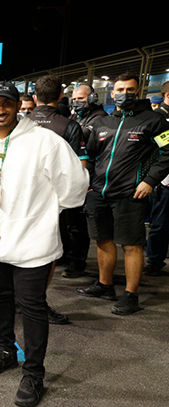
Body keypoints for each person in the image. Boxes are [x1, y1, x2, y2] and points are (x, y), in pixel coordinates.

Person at [0, 81, 87, 407]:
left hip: (34, 244)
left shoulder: (46, 142)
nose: (0, 110)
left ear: (19, 106)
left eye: (7, 103)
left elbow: (74, 187)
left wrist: (45, 214)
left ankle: (34, 373)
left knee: (32, 305)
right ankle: (5, 351)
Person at [76, 72, 169, 315]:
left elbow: (168, 151)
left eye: (129, 90)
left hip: (130, 194)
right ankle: (105, 285)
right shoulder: (102, 122)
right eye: (119, 90)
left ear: (137, 92)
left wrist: (149, 181)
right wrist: (89, 182)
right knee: (103, 240)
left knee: (130, 245)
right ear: (112, 92)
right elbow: (92, 154)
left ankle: (131, 295)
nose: (124, 94)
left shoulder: (154, 120)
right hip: (98, 193)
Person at [29, 75, 89, 324]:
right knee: (46, 254)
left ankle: (20, 301)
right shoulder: (70, 125)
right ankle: (37, 302)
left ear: (34, 97)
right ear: (61, 97)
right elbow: (80, 169)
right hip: (52, 203)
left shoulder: (19, 123)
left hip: (18, 198)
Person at [145, 81, 169, 276]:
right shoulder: (159, 118)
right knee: (159, 223)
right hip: (164, 180)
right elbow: (160, 151)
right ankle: (154, 260)